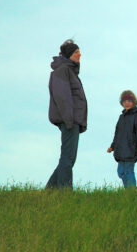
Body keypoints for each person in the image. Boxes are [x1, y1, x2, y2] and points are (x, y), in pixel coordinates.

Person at [46, 39, 88, 189]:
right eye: (76, 52)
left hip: (73, 120)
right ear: (70, 54)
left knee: (69, 158)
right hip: (69, 120)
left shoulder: (69, 71)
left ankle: (50, 190)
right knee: (67, 157)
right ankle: (65, 191)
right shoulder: (63, 71)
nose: (80, 54)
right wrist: (69, 120)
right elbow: (62, 97)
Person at [107, 90, 137, 188]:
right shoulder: (121, 117)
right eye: (125, 101)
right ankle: (127, 189)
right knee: (121, 172)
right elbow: (117, 134)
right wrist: (112, 146)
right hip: (120, 149)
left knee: (129, 171)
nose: (127, 103)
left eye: (129, 101)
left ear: (134, 102)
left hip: (131, 148)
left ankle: (131, 191)